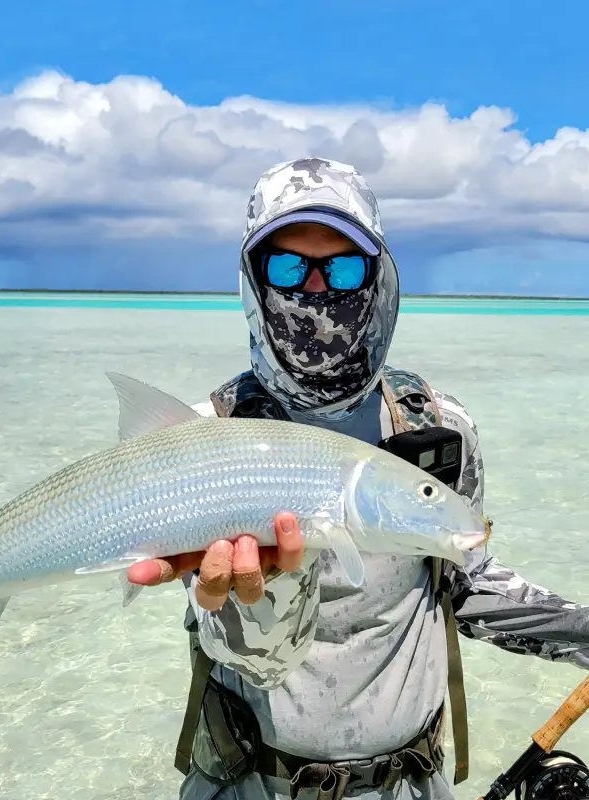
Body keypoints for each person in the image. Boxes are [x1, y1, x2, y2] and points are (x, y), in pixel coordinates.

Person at [127, 157, 589, 800]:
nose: (316, 294)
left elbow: (467, 585)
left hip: (411, 784)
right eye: (288, 267)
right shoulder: (211, 435)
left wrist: (585, 633)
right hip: (249, 785)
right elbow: (246, 659)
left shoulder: (436, 428)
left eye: (343, 268)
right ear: (253, 281)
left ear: (378, 278)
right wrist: (266, 592)